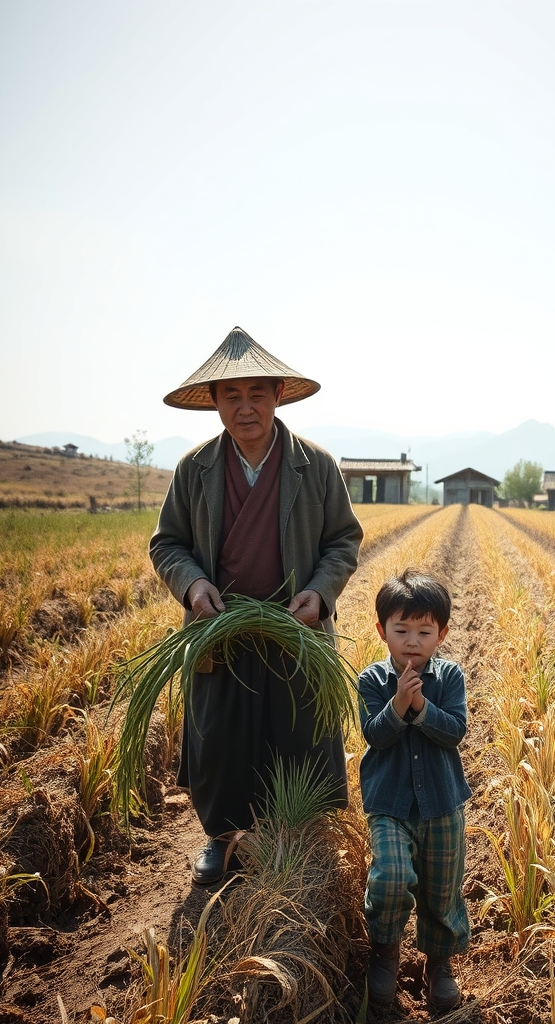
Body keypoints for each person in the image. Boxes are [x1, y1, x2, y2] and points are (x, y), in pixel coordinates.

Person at [150, 326, 363, 885]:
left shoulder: (315, 466)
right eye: (231, 396)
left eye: (257, 393)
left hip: (296, 626)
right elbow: (167, 543)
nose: (245, 408)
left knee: (296, 732)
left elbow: (344, 540)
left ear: (277, 396)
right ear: (215, 403)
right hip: (221, 630)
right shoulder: (194, 469)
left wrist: (320, 592)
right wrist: (194, 585)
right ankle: (222, 841)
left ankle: (293, 839)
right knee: (220, 736)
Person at [357, 570, 471, 1013]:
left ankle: (438, 965)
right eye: (401, 630)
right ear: (381, 629)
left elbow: (455, 731)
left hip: (441, 802)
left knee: (442, 888)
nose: (411, 641)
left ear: (440, 634)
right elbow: (375, 735)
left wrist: (421, 708)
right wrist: (397, 705)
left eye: (424, 631)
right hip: (390, 803)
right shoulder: (371, 681)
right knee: (390, 875)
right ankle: (385, 953)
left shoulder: (449, 677)